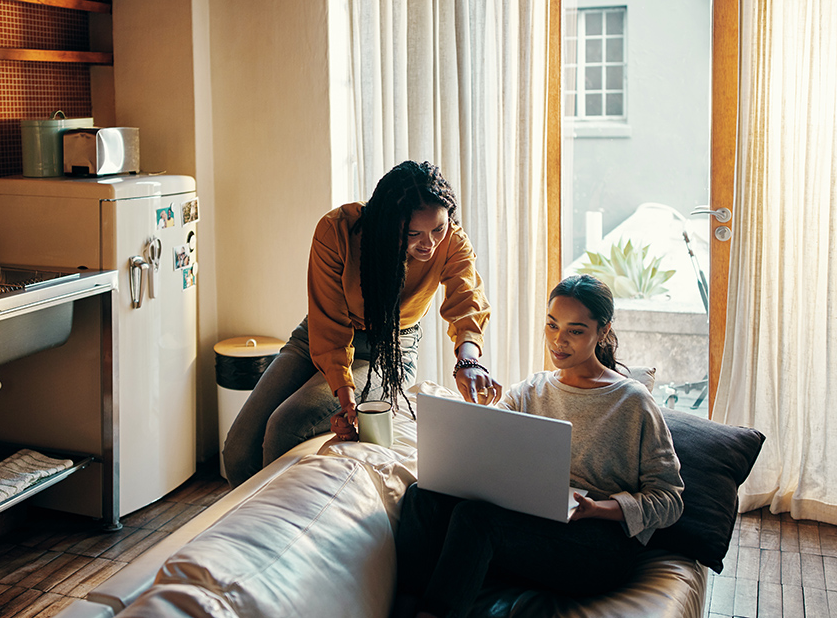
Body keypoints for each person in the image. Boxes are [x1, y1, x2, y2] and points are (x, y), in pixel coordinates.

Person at [393, 274, 684, 617]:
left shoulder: (632, 401)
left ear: (603, 331)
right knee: (421, 496)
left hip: (597, 544)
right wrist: (479, 413)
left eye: (575, 331)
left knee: (476, 520)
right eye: (551, 325)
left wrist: (597, 509)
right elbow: (486, 448)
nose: (559, 341)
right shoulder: (532, 390)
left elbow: (669, 500)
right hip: (528, 524)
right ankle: (403, 606)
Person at [222, 161, 501, 488]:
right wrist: (345, 397)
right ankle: (250, 521)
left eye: (438, 229)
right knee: (237, 452)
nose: (429, 244)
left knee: (284, 427)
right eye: (413, 233)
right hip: (323, 334)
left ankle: (276, 528)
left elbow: (466, 302)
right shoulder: (337, 231)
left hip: (390, 349)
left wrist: (468, 361)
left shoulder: (452, 241)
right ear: (387, 222)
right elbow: (329, 326)